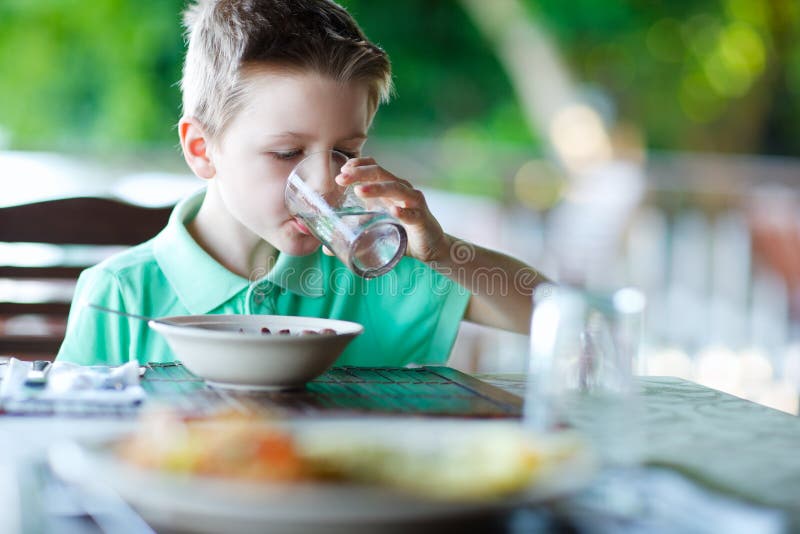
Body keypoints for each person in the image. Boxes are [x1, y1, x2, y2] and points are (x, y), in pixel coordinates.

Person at [56, 0, 544, 367]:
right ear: (203, 150)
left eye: (346, 152)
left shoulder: (371, 269)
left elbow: (551, 316)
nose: (326, 183)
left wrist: (442, 255)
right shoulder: (118, 295)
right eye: (287, 153)